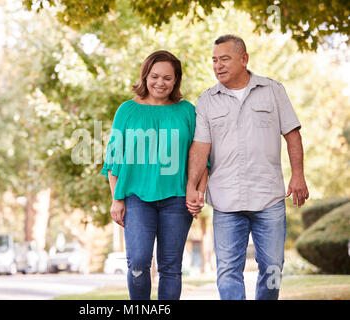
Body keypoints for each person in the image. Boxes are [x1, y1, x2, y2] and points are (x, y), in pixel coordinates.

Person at [186, 34, 309, 300]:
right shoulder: (207, 100)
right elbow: (200, 147)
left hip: (269, 197)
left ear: (244, 59)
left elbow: (292, 134)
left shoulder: (273, 90)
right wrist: (192, 187)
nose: (218, 66)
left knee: (273, 267)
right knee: (228, 270)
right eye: (214, 60)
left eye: (225, 59)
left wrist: (298, 175)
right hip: (226, 199)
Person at [101, 50, 208, 300]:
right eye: (155, 76)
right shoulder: (127, 110)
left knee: (170, 268)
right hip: (136, 197)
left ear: (176, 80)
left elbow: (203, 157)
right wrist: (116, 199)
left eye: (168, 78)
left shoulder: (187, 112)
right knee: (138, 263)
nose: (160, 83)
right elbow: (113, 158)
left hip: (177, 198)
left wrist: (198, 192)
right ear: (145, 76)